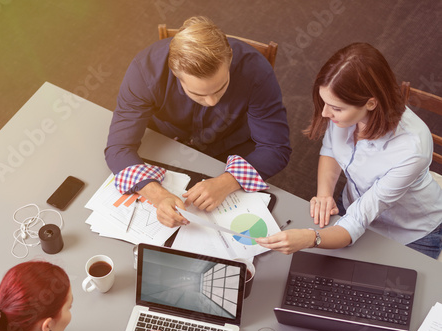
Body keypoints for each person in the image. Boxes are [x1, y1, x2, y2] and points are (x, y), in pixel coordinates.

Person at [256, 42, 442, 259]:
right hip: (354, 206)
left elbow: (357, 221)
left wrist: (311, 238)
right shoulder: (344, 111)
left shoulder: (411, 150)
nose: (325, 113)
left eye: (335, 108)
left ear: (371, 103)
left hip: (410, 231)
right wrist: (324, 194)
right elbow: (331, 149)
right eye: (324, 103)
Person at [105, 16, 291, 228]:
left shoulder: (257, 71)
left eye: (221, 87)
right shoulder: (144, 72)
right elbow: (119, 148)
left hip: (231, 147)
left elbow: (276, 148)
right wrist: (157, 195)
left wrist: (228, 181)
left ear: (229, 60)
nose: (212, 102)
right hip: (168, 144)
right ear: (175, 74)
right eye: (197, 93)